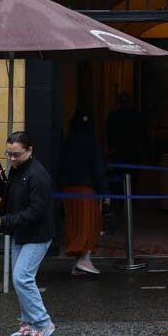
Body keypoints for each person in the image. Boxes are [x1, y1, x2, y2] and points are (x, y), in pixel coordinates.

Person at [0, 130, 55, 336]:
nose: (11, 158)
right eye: (8, 154)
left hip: (37, 235)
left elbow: (35, 212)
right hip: (23, 232)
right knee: (21, 279)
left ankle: (43, 323)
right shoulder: (18, 169)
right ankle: (29, 323)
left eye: (16, 154)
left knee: (22, 278)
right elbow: (9, 196)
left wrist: (5, 222)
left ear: (30, 150)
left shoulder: (38, 175)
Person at [57, 111, 111, 276]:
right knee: (89, 224)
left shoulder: (66, 143)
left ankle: (79, 261)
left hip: (68, 190)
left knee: (74, 224)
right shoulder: (91, 143)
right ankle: (85, 259)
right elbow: (98, 169)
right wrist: (105, 192)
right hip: (86, 190)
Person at [106, 92, 145, 165]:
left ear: (129, 102)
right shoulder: (113, 116)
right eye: (122, 101)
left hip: (132, 150)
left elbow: (140, 132)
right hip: (119, 150)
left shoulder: (135, 116)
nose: (124, 104)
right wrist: (111, 146)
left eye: (126, 101)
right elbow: (109, 132)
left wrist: (139, 146)